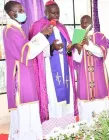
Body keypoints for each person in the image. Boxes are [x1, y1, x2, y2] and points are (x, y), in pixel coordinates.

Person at [3, 1, 52, 139]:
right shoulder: (11, 31)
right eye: (20, 10)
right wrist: (42, 35)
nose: (24, 12)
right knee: (26, 112)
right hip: (21, 78)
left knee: (28, 112)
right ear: (13, 14)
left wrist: (41, 36)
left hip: (25, 74)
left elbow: (26, 47)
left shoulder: (15, 28)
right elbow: (26, 52)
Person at [29, 0, 78, 134]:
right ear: (45, 12)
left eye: (58, 13)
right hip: (49, 71)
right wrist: (52, 47)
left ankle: (67, 130)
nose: (56, 15)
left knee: (67, 98)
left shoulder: (62, 27)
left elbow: (68, 52)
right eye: (53, 13)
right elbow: (34, 52)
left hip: (65, 70)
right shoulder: (38, 26)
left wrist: (69, 48)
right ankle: (52, 132)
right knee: (53, 98)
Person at [73, 15, 109, 122]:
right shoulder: (77, 37)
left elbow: (101, 53)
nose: (85, 24)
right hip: (84, 77)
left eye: (87, 22)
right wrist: (78, 49)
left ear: (92, 23)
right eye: (83, 22)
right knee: (86, 113)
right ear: (80, 25)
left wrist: (88, 44)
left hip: (98, 75)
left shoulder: (100, 36)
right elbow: (76, 60)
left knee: (101, 112)